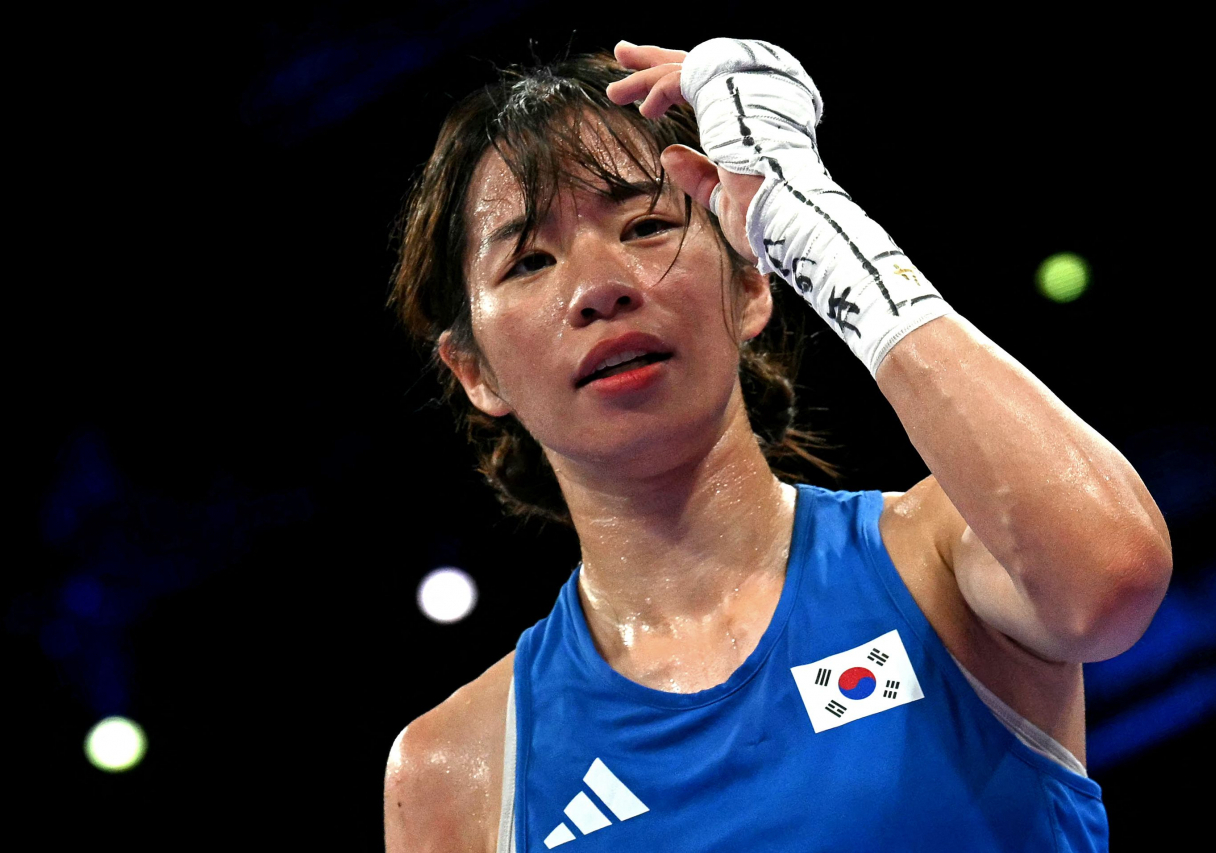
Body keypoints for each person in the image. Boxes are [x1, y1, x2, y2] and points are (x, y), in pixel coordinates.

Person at [382, 37, 1172, 853]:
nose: (598, 286)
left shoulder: (941, 555)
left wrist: (811, 218)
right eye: (530, 260)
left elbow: (1111, 579)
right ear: (475, 371)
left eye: (647, 223)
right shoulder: (458, 770)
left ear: (753, 278)